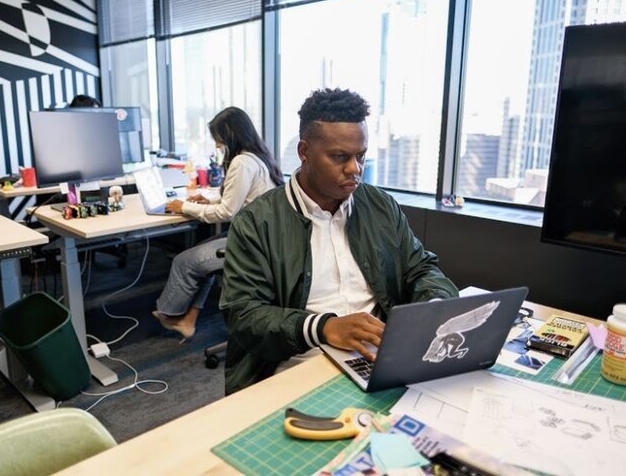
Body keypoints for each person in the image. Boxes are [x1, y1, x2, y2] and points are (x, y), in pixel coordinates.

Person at [219, 88, 459, 394]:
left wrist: (434, 306)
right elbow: (244, 314)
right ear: (304, 152)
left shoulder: (379, 205)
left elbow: (420, 268)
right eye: (340, 157)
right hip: (299, 360)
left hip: (375, 355)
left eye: (361, 156)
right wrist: (325, 328)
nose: (355, 169)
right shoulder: (256, 222)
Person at [152, 106, 284, 340]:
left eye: (218, 138)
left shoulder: (242, 162)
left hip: (253, 246)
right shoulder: (258, 157)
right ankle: (188, 321)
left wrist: (184, 207)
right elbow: (242, 198)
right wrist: (209, 198)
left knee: (185, 262)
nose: (217, 144)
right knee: (202, 259)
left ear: (231, 134)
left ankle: (169, 315)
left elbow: (227, 212)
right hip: (265, 240)